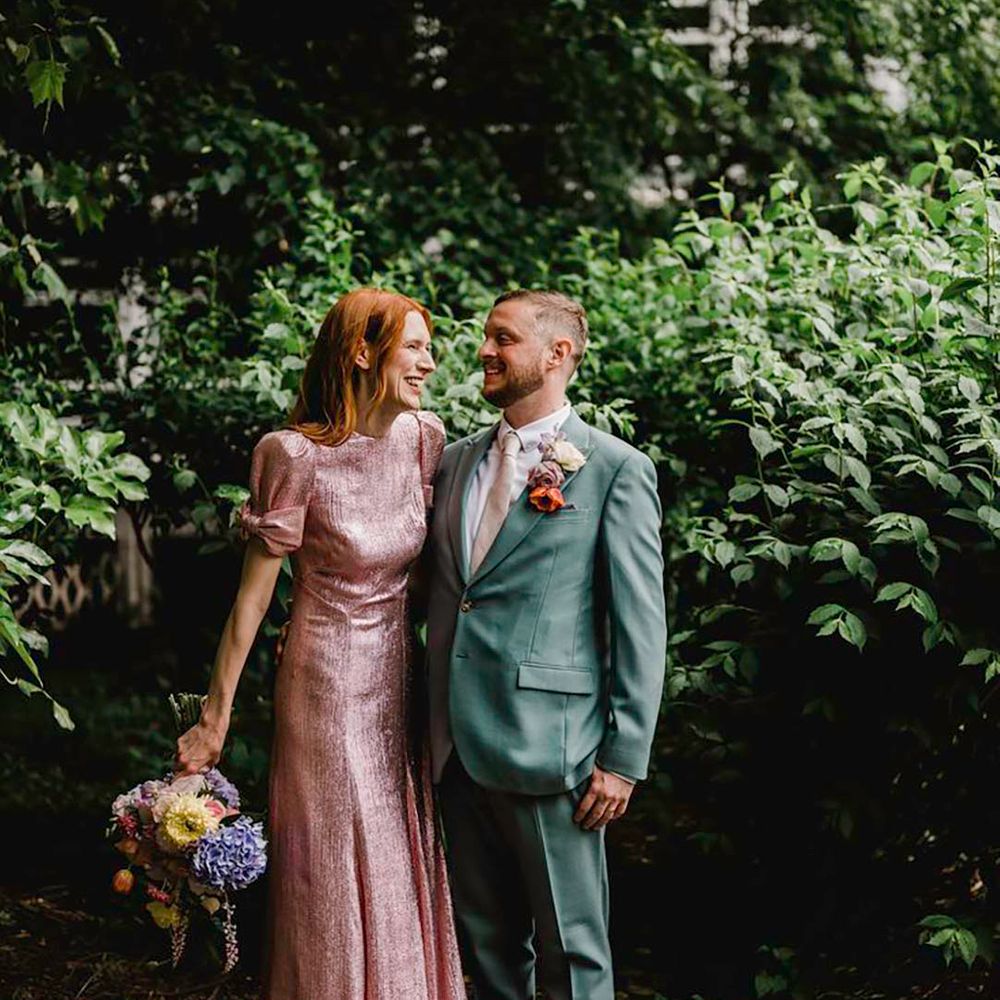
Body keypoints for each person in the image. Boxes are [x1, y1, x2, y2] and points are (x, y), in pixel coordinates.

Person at [174, 288, 465, 1000]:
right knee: (337, 859)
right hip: (325, 678)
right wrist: (215, 718)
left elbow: (431, 576)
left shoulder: (424, 438)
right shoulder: (293, 453)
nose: (431, 361)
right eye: (415, 346)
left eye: (430, 347)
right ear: (362, 353)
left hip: (399, 677)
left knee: (398, 850)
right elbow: (252, 600)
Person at [425, 289, 667, 1000]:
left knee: (573, 950)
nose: (484, 351)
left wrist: (623, 760)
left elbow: (639, 625)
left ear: (558, 353)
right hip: (453, 746)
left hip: (554, 751)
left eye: (503, 338)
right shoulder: (454, 461)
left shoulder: (616, 469)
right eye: (485, 337)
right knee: (489, 948)